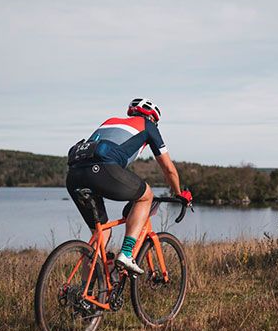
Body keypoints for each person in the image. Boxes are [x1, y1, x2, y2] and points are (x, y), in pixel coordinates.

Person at [66, 97, 192, 274]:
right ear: (153, 118)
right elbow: (168, 169)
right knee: (146, 196)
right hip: (102, 169)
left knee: (101, 233)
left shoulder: (110, 121)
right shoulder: (148, 126)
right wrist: (180, 194)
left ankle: (84, 294)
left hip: (74, 175)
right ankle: (126, 253)